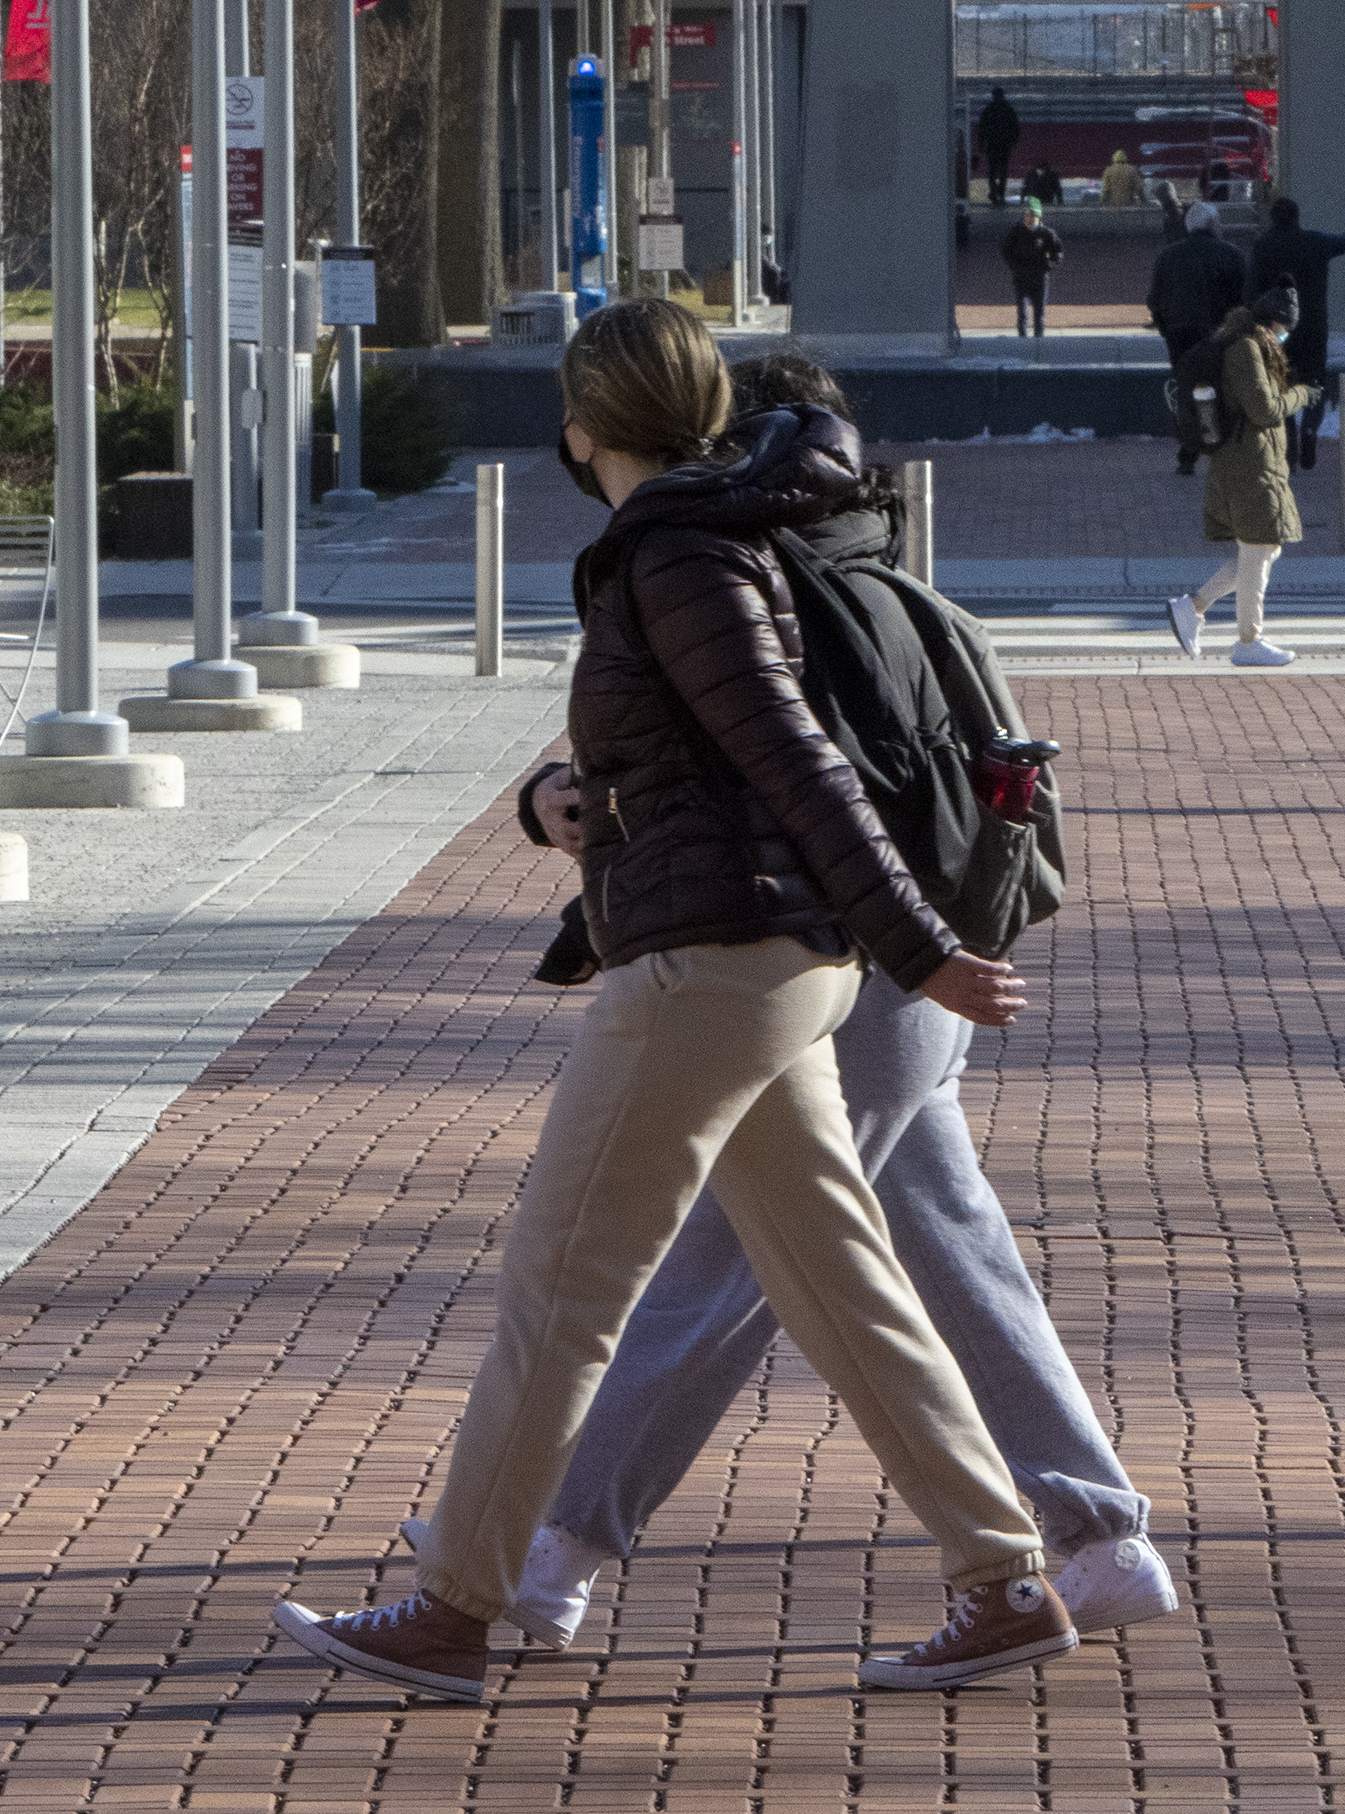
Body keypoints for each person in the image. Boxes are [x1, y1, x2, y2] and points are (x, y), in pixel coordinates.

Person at [273, 299, 1073, 1701]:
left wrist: (921, 948)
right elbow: (715, 758)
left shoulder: (680, 553)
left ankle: (456, 1606)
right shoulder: (721, 537)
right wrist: (565, 802)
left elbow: (799, 765)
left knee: (560, 1283)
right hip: (764, 970)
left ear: (585, 426)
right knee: (843, 1286)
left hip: (712, 971)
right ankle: (1003, 1576)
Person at [487, 349, 1179, 1657]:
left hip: (846, 964)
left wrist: (565, 810)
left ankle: (557, 1544)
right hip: (927, 957)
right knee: (945, 1237)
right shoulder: (883, 576)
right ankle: (1099, 1535)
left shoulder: (754, 577)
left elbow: (760, 780)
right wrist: (550, 800)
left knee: (731, 1260)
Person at [1166, 284, 1309, 667]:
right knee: (1258, 549)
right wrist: (1300, 395)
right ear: (1276, 322)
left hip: (1252, 461)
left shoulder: (1250, 345)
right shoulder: (1245, 349)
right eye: (1285, 328)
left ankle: (1193, 606)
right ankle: (1248, 640)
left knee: (1262, 548)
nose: (1285, 336)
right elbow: (1264, 410)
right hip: (1248, 464)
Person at [1245, 197, 1345, 469]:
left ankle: (1289, 441)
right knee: (1314, 382)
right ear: (1297, 217)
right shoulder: (1315, 242)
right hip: (1313, 327)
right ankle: (1310, 428)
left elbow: (1251, 290)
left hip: (1278, 331)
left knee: (1280, 383)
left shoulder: (1262, 248)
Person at [1145, 199, 1249, 477]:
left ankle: (1188, 451)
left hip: (1180, 337)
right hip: (1218, 337)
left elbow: (1154, 300)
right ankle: (1217, 446)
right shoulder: (1230, 254)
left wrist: (1167, 328)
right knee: (1219, 391)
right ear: (1211, 224)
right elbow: (1244, 300)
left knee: (1188, 392)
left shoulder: (1168, 256)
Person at [1001, 198, 1065, 340]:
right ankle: (1023, 342)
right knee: (1022, 314)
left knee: (1039, 314)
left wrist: (1051, 263)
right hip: (1021, 278)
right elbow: (1006, 250)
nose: (1029, 219)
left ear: (1039, 217)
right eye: (1027, 216)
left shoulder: (1046, 234)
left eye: (1033, 216)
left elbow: (1058, 251)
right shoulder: (1017, 232)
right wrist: (1014, 265)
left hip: (1039, 279)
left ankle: (1039, 342)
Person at [974, 86, 1024, 206]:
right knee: (1002, 171)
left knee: (992, 171)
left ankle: (995, 193)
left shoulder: (988, 110)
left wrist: (981, 143)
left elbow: (982, 128)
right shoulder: (1008, 110)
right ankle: (1000, 194)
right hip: (1004, 145)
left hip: (992, 145)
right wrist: (1013, 141)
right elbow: (1015, 127)